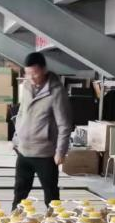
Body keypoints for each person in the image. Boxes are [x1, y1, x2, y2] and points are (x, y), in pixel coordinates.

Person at [11, 52, 73, 210]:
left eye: (35, 73)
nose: (31, 78)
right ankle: (14, 222)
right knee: (19, 193)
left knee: (51, 196)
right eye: (28, 74)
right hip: (23, 151)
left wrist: (61, 152)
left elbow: (64, 125)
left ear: (44, 70)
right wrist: (16, 138)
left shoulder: (56, 92)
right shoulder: (26, 86)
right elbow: (21, 113)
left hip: (45, 154)